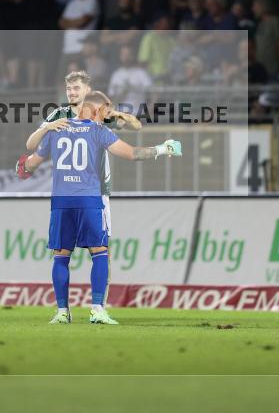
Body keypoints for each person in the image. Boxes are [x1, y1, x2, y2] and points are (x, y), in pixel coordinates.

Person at [17, 90, 182, 325]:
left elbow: (30, 164)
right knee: (100, 252)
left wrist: (22, 166)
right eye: (105, 111)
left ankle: (62, 312)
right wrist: (163, 149)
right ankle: (97, 309)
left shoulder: (57, 129)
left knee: (61, 256)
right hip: (89, 200)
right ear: (95, 110)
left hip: (62, 202)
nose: (107, 116)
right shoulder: (99, 131)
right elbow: (133, 154)